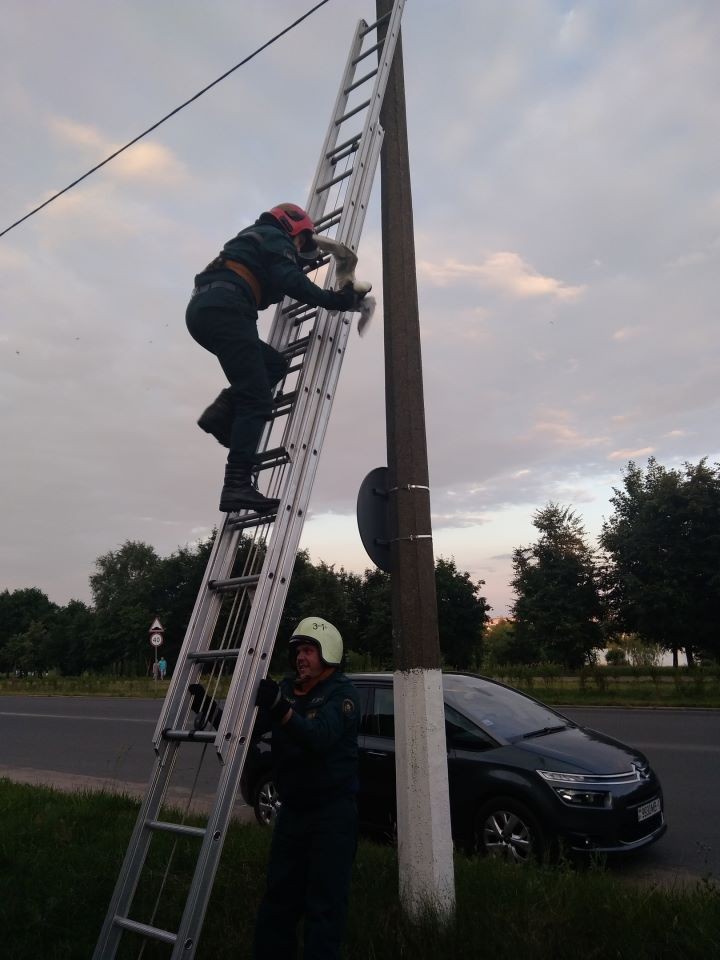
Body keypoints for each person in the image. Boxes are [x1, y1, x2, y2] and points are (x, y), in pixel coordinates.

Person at [186, 204, 366, 514]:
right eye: (301, 243)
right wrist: (336, 300)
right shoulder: (274, 237)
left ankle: (221, 412)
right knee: (256, 400)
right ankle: (237, 485)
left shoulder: (253, 241)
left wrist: (296, 268)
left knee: (273, 365)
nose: (299, 249)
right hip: (227, 308)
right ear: (293, 227)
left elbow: (278, 280)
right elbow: (291, 281)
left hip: (209, 311)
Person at [252, 617, 360, 960]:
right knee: (278, 899)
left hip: (332, 816)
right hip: (293, 813)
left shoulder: (342, 694)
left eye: (309, 650)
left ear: (328, 653)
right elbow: (248, 731)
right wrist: (210, 711)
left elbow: (319, 738)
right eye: (298, 651)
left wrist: (279, 708)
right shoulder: (287, 689)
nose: (301, 657)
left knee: (324, 906)